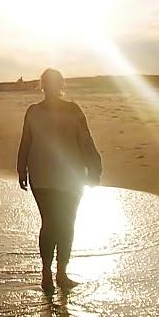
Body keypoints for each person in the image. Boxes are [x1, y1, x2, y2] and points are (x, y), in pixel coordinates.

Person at [16, 67, 102, 293]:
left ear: (43, 85)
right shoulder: (70, 110)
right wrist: (94, 168)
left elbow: (26, 142)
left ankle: (50, 274)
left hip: (45, 175)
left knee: (51, 224)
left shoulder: (36, 111)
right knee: (65, 224)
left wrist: (21, 168)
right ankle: (58, 273)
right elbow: (86, 142)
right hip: (64, 177)